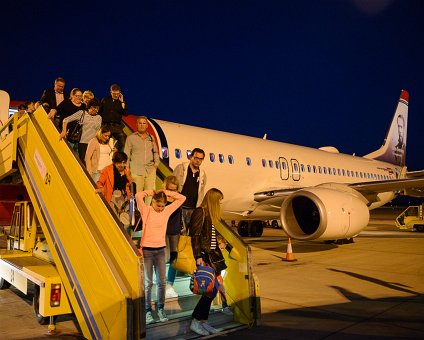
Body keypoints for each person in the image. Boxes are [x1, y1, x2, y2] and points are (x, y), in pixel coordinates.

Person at [135, 188, 186, 324]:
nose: (161, 208)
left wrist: (165, 191)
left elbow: (182, 198)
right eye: (158, 205)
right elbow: (138, 195)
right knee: (148, 283)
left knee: (162, 282)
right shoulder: (146, 210)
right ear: (153, 202)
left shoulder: (166, 211)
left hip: (160, 251)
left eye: (163, 205)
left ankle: (160, 308)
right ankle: (147, 311)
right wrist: (151, 191)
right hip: (147, 251)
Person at [188, 188, 228, 336]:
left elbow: (209, 236)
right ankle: (196, 321)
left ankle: (203, 321)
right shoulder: (201, 212)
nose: (219, 204)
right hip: (205, 257)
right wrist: (198, 255)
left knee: (213, 290)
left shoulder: (210, 215)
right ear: (212, 200)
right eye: (218, 201)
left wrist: (218, 244)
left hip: (213, 256)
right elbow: (195, 235)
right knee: (209, 291)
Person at [124, 116, 159, 205]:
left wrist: (156, 164)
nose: (142, 125)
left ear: (147, 125)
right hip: (136, 170)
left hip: (150, 170)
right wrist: (127, 169)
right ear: (137, 125)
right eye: (140, 123)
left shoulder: (151, 138)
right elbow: (127, 154)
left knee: (149, 195)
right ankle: (138, 213)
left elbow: (155, 152)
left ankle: (146, 213)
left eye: (144, 123)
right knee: (137, 195)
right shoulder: (131, 138)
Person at [173, 148, 207, 233]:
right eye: (196, 158)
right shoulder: (181, 168)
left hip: (193, 209)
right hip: (181, 208)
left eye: (200, 159)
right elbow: (173, 184)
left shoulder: (202, 174)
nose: (198, 161)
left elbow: (201, 192)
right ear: (191, 157)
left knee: (191, 235)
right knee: (180, 234)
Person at [60, 98, 102, 164]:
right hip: (82, 142)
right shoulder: (82, 113)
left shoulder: (99, 118)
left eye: (97, 108)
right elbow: (66, 120)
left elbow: (98, 131)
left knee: (92, 163)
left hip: (92, 144)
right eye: (94, 107)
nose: (95, 110)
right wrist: (64, 131)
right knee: (83, 162)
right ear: (89, 107)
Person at [162, 176, 183, 298]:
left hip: (175, 232)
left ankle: (170, 285)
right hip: (162, 231)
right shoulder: (161, 198)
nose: (172, 192)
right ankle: (161, 282)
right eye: (170, 189)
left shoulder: (179, 199)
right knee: (162, 258)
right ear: (165, 187)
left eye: (174, 190)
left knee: (174, 260)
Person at [99, 84, 128, 151]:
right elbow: (99, 112)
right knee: (103, 143)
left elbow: (126, 114)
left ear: (120, 93)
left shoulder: (121, 102)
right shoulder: (105, 100)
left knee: (123, 140)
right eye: (114, 93)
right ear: (110, 92)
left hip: (116, 126)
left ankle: (120, 158)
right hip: (106, 125)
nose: (116, 95)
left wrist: (122, 102)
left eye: (117, 93)